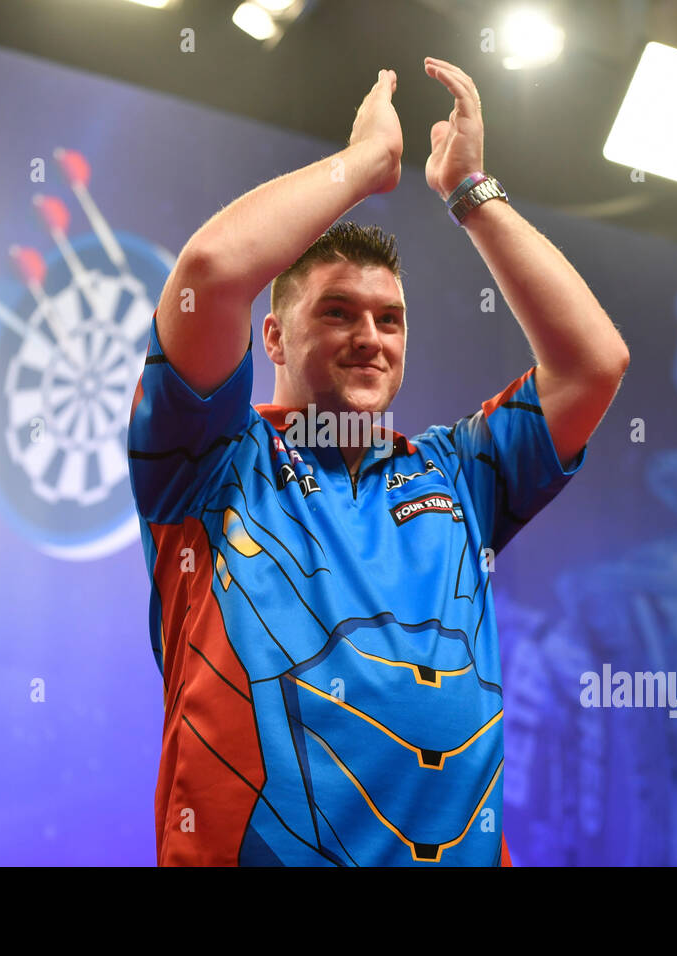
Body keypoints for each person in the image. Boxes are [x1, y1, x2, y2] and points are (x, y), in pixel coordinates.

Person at [127, 57, 629, 866]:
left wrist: (471, 192)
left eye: (390, 319)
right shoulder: (212, 462)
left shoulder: (456, 474)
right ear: (275, 338)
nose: (371, 337)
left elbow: (592, 365)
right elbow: (212, 275)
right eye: (337, 312)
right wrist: (363, 168)